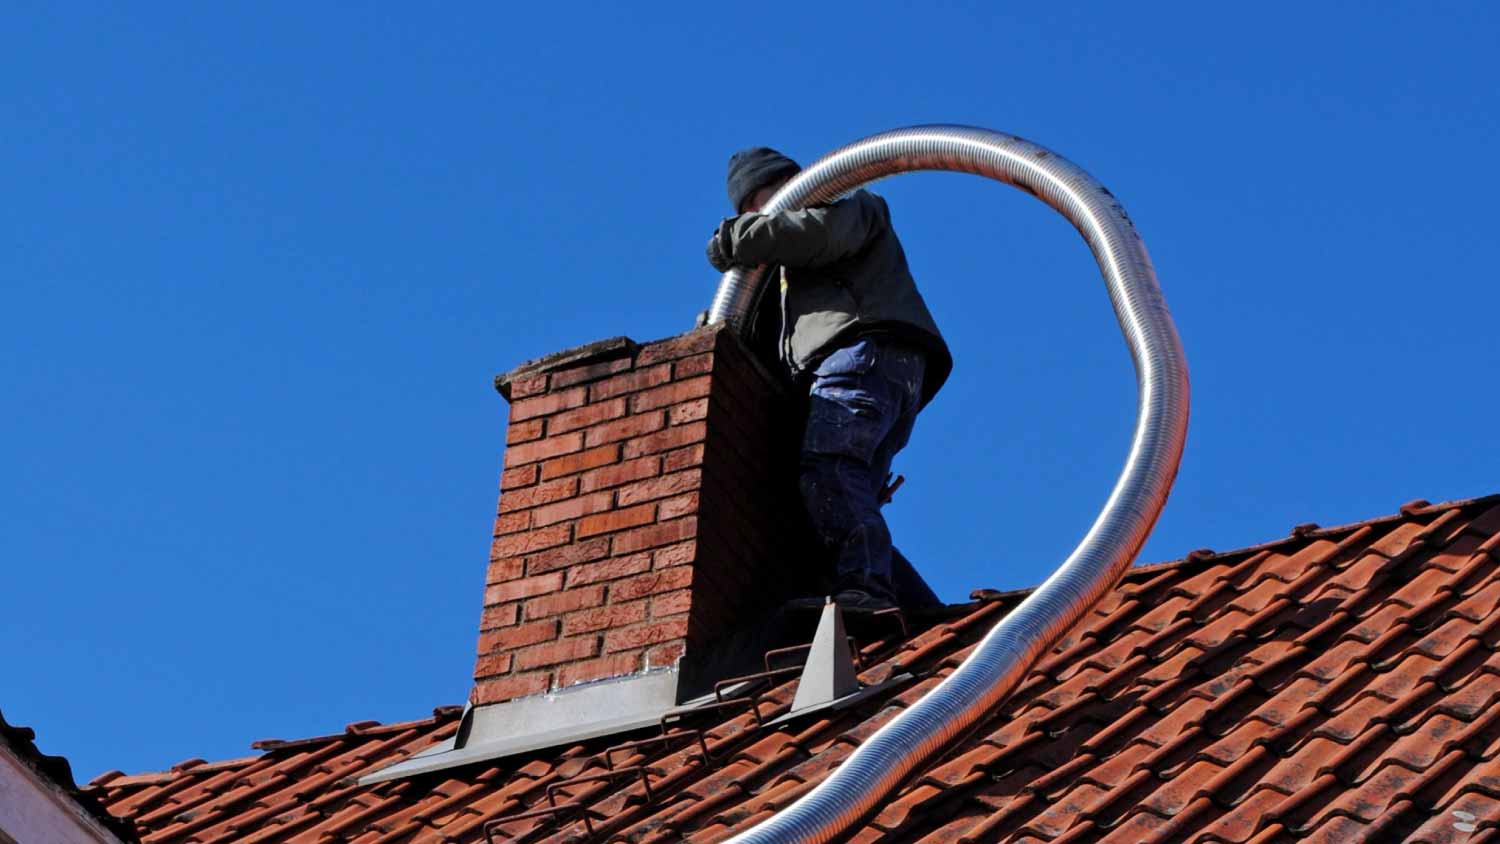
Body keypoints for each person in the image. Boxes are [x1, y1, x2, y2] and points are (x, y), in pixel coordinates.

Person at [706, 147, 953, 612]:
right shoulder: (788, 275)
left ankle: (867, 592)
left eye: (767, 202)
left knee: (831, 470)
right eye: (750, 213)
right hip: (876, 367)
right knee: (840, 489)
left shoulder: (847, 206)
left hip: (864, 353)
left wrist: (732, 237)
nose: (763, 217)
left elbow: (814, 235)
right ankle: (911, 613)